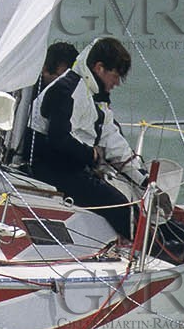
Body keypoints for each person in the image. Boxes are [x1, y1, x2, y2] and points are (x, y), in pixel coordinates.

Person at [27, 37, 147, 240]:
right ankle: (161, 248)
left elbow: (112, 140)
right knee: (120, 206)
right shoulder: (68, 89)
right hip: (49, 169)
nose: (117, 83)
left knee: (129, 202)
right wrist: (91, 155)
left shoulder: (94, 95)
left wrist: (142, 179)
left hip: (70, 168)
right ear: (99, 68)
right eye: (115, 76)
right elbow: (59, 138)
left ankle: (182, 236)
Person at [20, 40, 78, 170]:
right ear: (45, 69)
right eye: (60, 77)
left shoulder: (72, 92)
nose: (64, 83)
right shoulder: (27, 92)